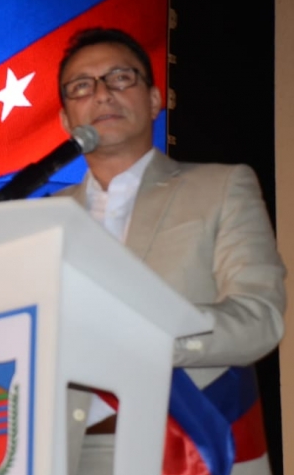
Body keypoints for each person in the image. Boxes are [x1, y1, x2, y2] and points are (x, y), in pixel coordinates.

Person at [54, 27, 286, 474]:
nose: (102, 94)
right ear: (66, 121)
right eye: (82, 86)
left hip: (187, 449)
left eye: (121, 78)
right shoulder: (42, 220)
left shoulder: (221, 186)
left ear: (156, 99)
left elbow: (261, 319)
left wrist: (151, 339)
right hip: (66, 453)